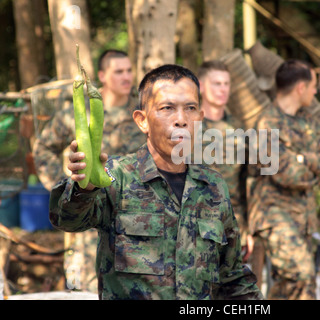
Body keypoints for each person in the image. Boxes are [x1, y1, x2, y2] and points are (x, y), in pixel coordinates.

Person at [48, 64, 263, 300]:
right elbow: (66, 219)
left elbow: (232, 277)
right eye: (167, 108)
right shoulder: (116, 177)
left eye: (190, 108)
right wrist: (83, 187)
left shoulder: (213, 186)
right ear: (142, 121)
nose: (181, 119)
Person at [32, 49, 146, 292]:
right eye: (119, 71)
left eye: (129, 70)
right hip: (90, 220)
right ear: (103, 75)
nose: (126, 77)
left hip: (134, 219)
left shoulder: (141, 114)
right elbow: (42, 147)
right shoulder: (78, 112)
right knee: (88, 289)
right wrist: (69, 185)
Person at [248, 59, 320, 299]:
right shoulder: (267, 124)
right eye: (313, 86)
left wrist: (300, 158)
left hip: (305, 218)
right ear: (301, 87)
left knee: (288, 288)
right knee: (303, 276)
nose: (315, 91)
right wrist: (310, 166)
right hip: (275, 216)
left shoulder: (309, 121)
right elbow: (288, 175)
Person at [197, 60, 252, 260]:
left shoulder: (239, 128)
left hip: (232, 225)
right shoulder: (188, 126)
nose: (222, 89)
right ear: (201, 86)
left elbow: (246, 182)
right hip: (194, 226)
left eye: (226, 84)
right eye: (216, 84)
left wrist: (247, 228)